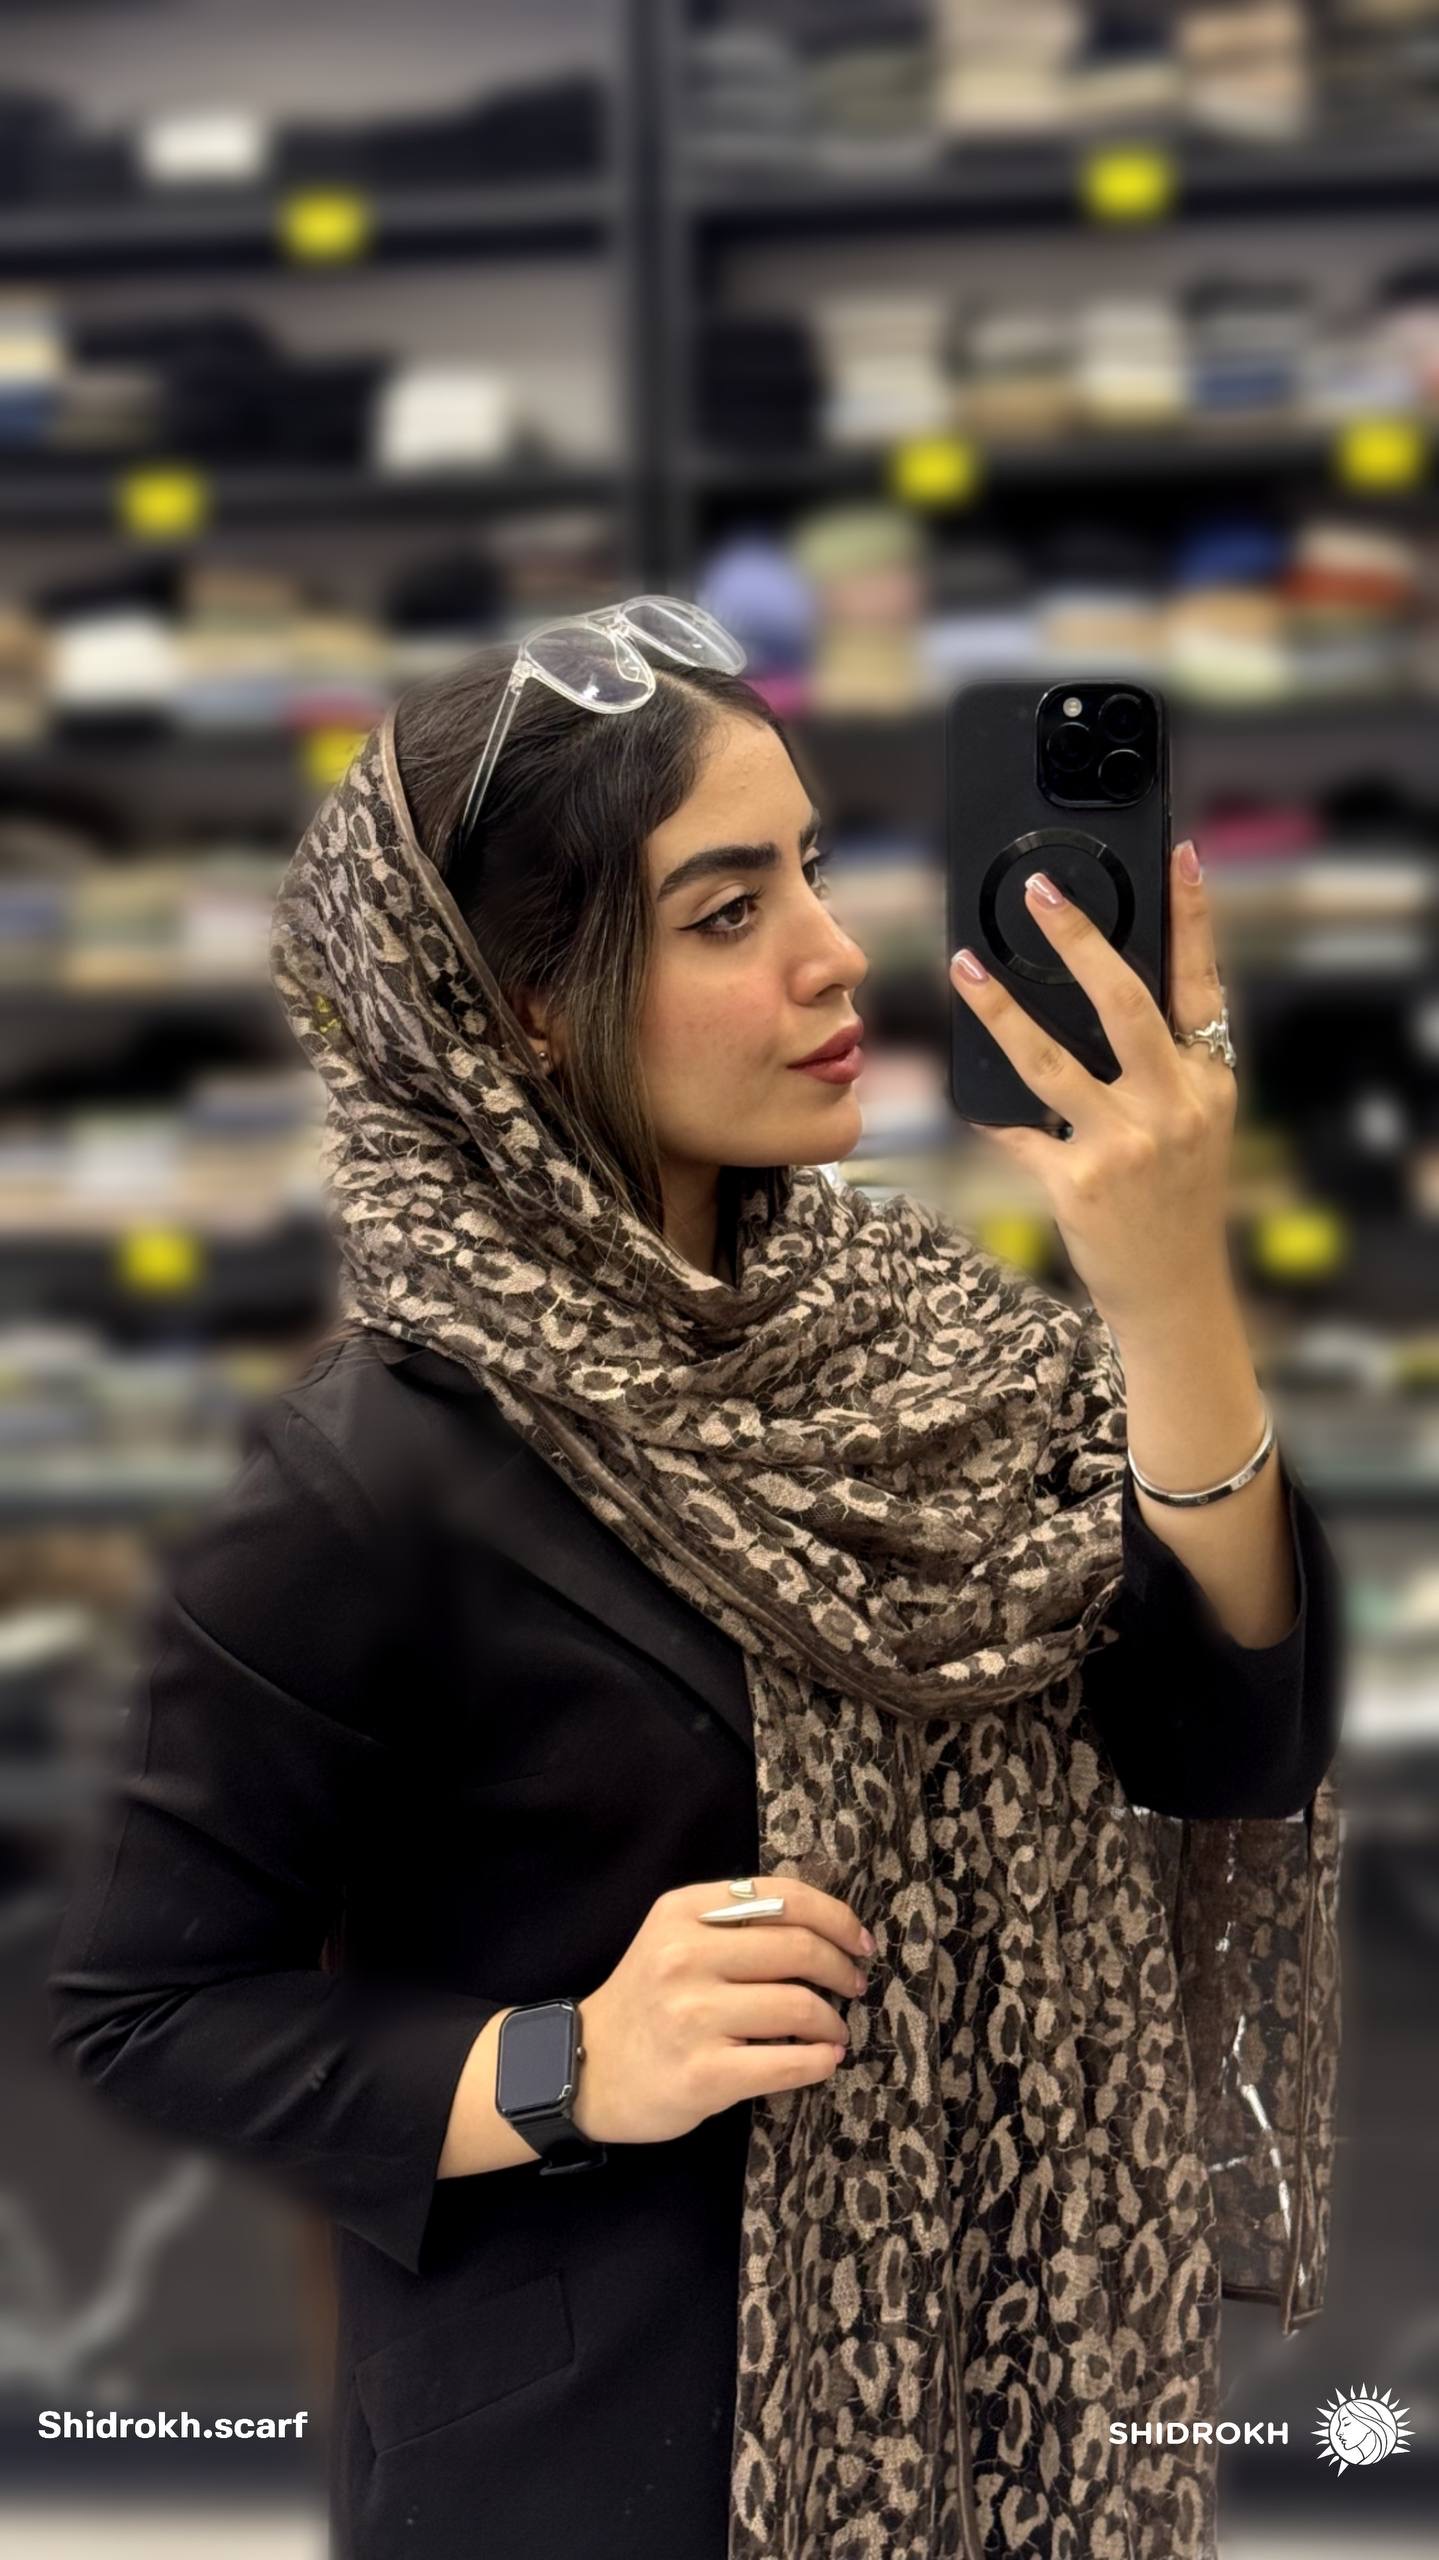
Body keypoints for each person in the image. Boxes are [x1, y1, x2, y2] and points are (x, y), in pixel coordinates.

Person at [47, 600, 1344, 2560]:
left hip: (1017, 2426)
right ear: (524, 1008)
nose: (834, 951)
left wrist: (1170, 1290)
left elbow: (1228, 1745)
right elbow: (145, 2007)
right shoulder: (376, 1467)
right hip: (602, 2471)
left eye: (811, 868)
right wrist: (569, 2060)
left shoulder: (938, 1344)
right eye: (729, 912)